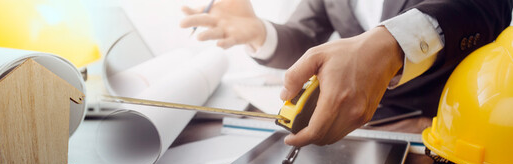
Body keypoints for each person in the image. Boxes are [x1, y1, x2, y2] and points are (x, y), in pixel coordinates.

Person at [180, 0, 512, 147]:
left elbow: (484, 7)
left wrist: (389, 45)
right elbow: (304, 35)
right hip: (361, 132)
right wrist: (259, 32)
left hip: (442, 129)